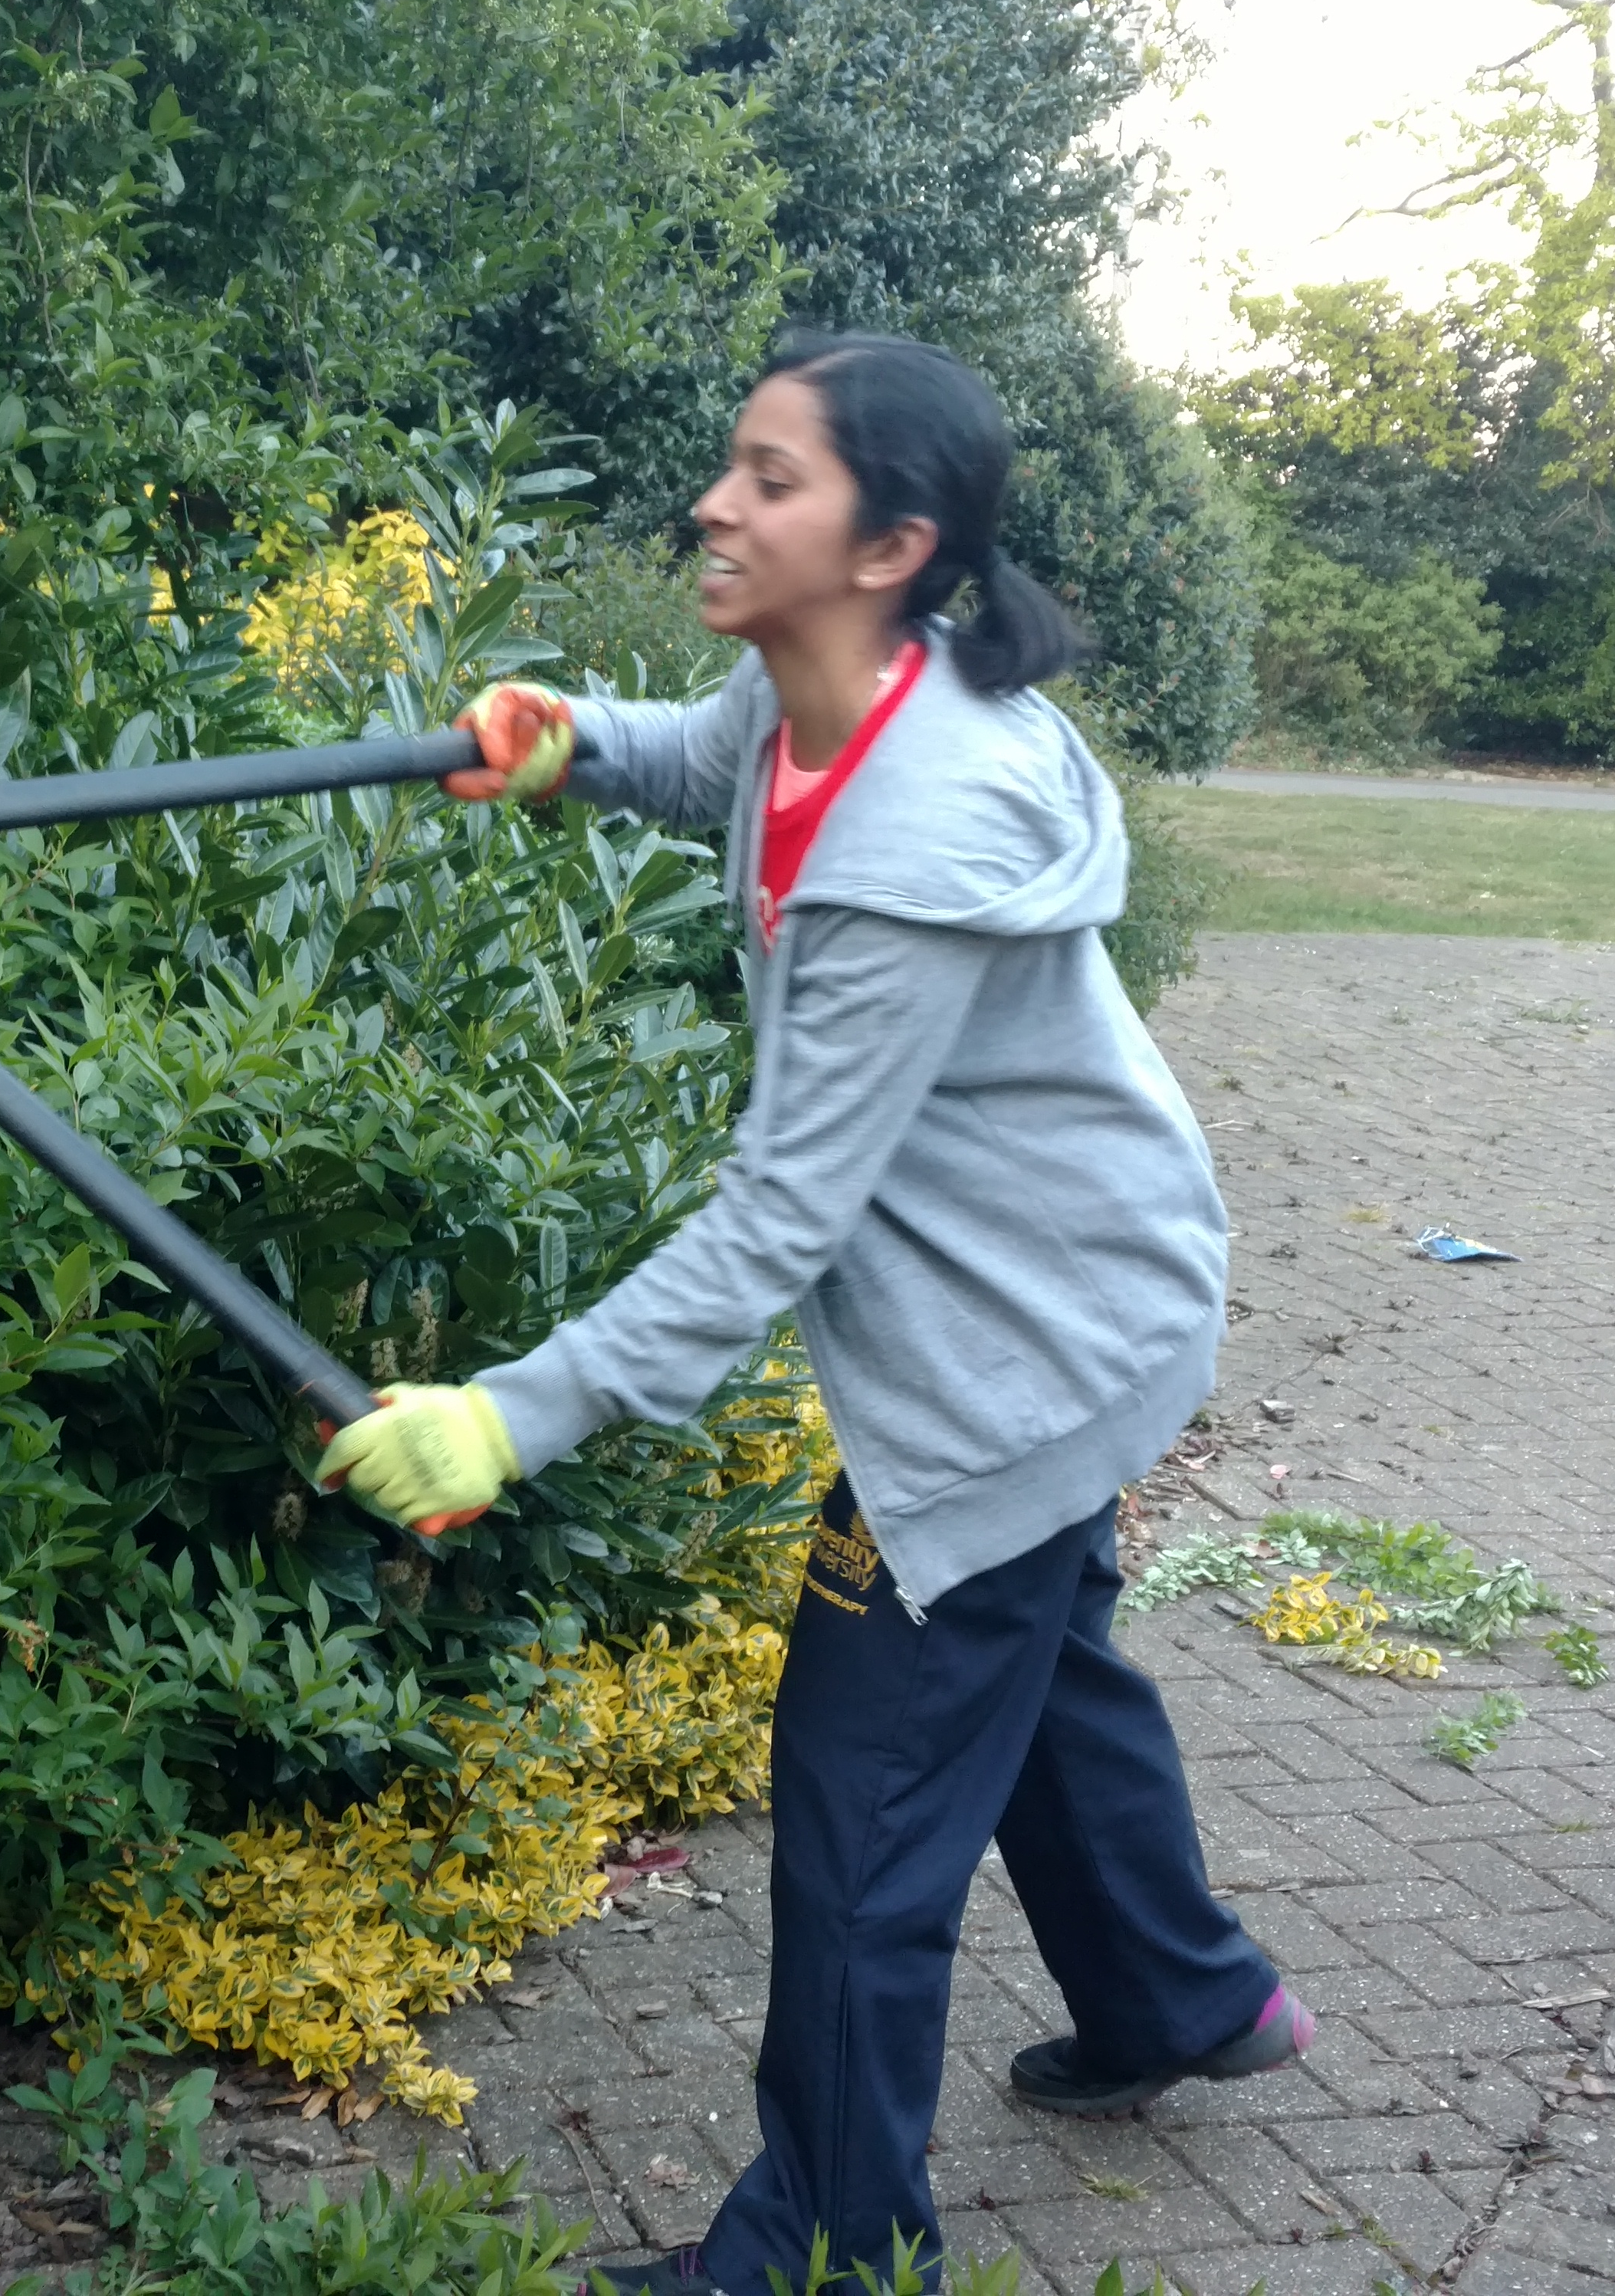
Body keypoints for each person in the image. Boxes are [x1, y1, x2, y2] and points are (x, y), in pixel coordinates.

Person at [315, 332, 1311, 2296]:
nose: (717, 502)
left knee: (862, 1814)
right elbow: (696, 761)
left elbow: (775, 1221)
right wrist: (568, 739)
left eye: (771, 480)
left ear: (890, 543)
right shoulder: (820, 699)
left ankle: (831, 2252)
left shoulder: (904, 840)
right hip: (1084, 1298)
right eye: (732, 462)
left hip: (1013, 1360)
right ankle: (1186, 1994)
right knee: (1032, 1672)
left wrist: (512, 1417)